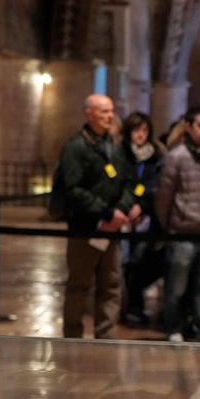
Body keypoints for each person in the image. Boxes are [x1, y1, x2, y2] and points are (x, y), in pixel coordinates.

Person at [59, 95, 140, 339]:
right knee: (79, 286)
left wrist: (121, 211)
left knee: (111, 286)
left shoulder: (115, 145)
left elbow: (129, 181)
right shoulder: (76, 147)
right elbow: (72, 189)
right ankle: (72, 336)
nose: (109, 116)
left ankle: (106, 336)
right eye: (103, 111)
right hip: (86, 229)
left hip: (112, 229)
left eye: (111, 111)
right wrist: (106, 213)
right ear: (89, 114)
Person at [155, 107, 200, 343]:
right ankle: (174, 327)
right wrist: (169, 226)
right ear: (188, 127)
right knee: (177, 286)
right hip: (182, 233)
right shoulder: (176, 157)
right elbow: (164, 195)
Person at [119, 111, 164, 328]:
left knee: (139, 262)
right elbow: (119, 183)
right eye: (137, 130)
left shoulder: (156, 157)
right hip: (123, 217)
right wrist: (128, 207)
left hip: (146, 218)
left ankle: (135, 307)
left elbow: (156, 188)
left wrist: (142, 206)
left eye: (145, 130)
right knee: (124, 263)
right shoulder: (120, 154)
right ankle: (127, 309)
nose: (141, 134)